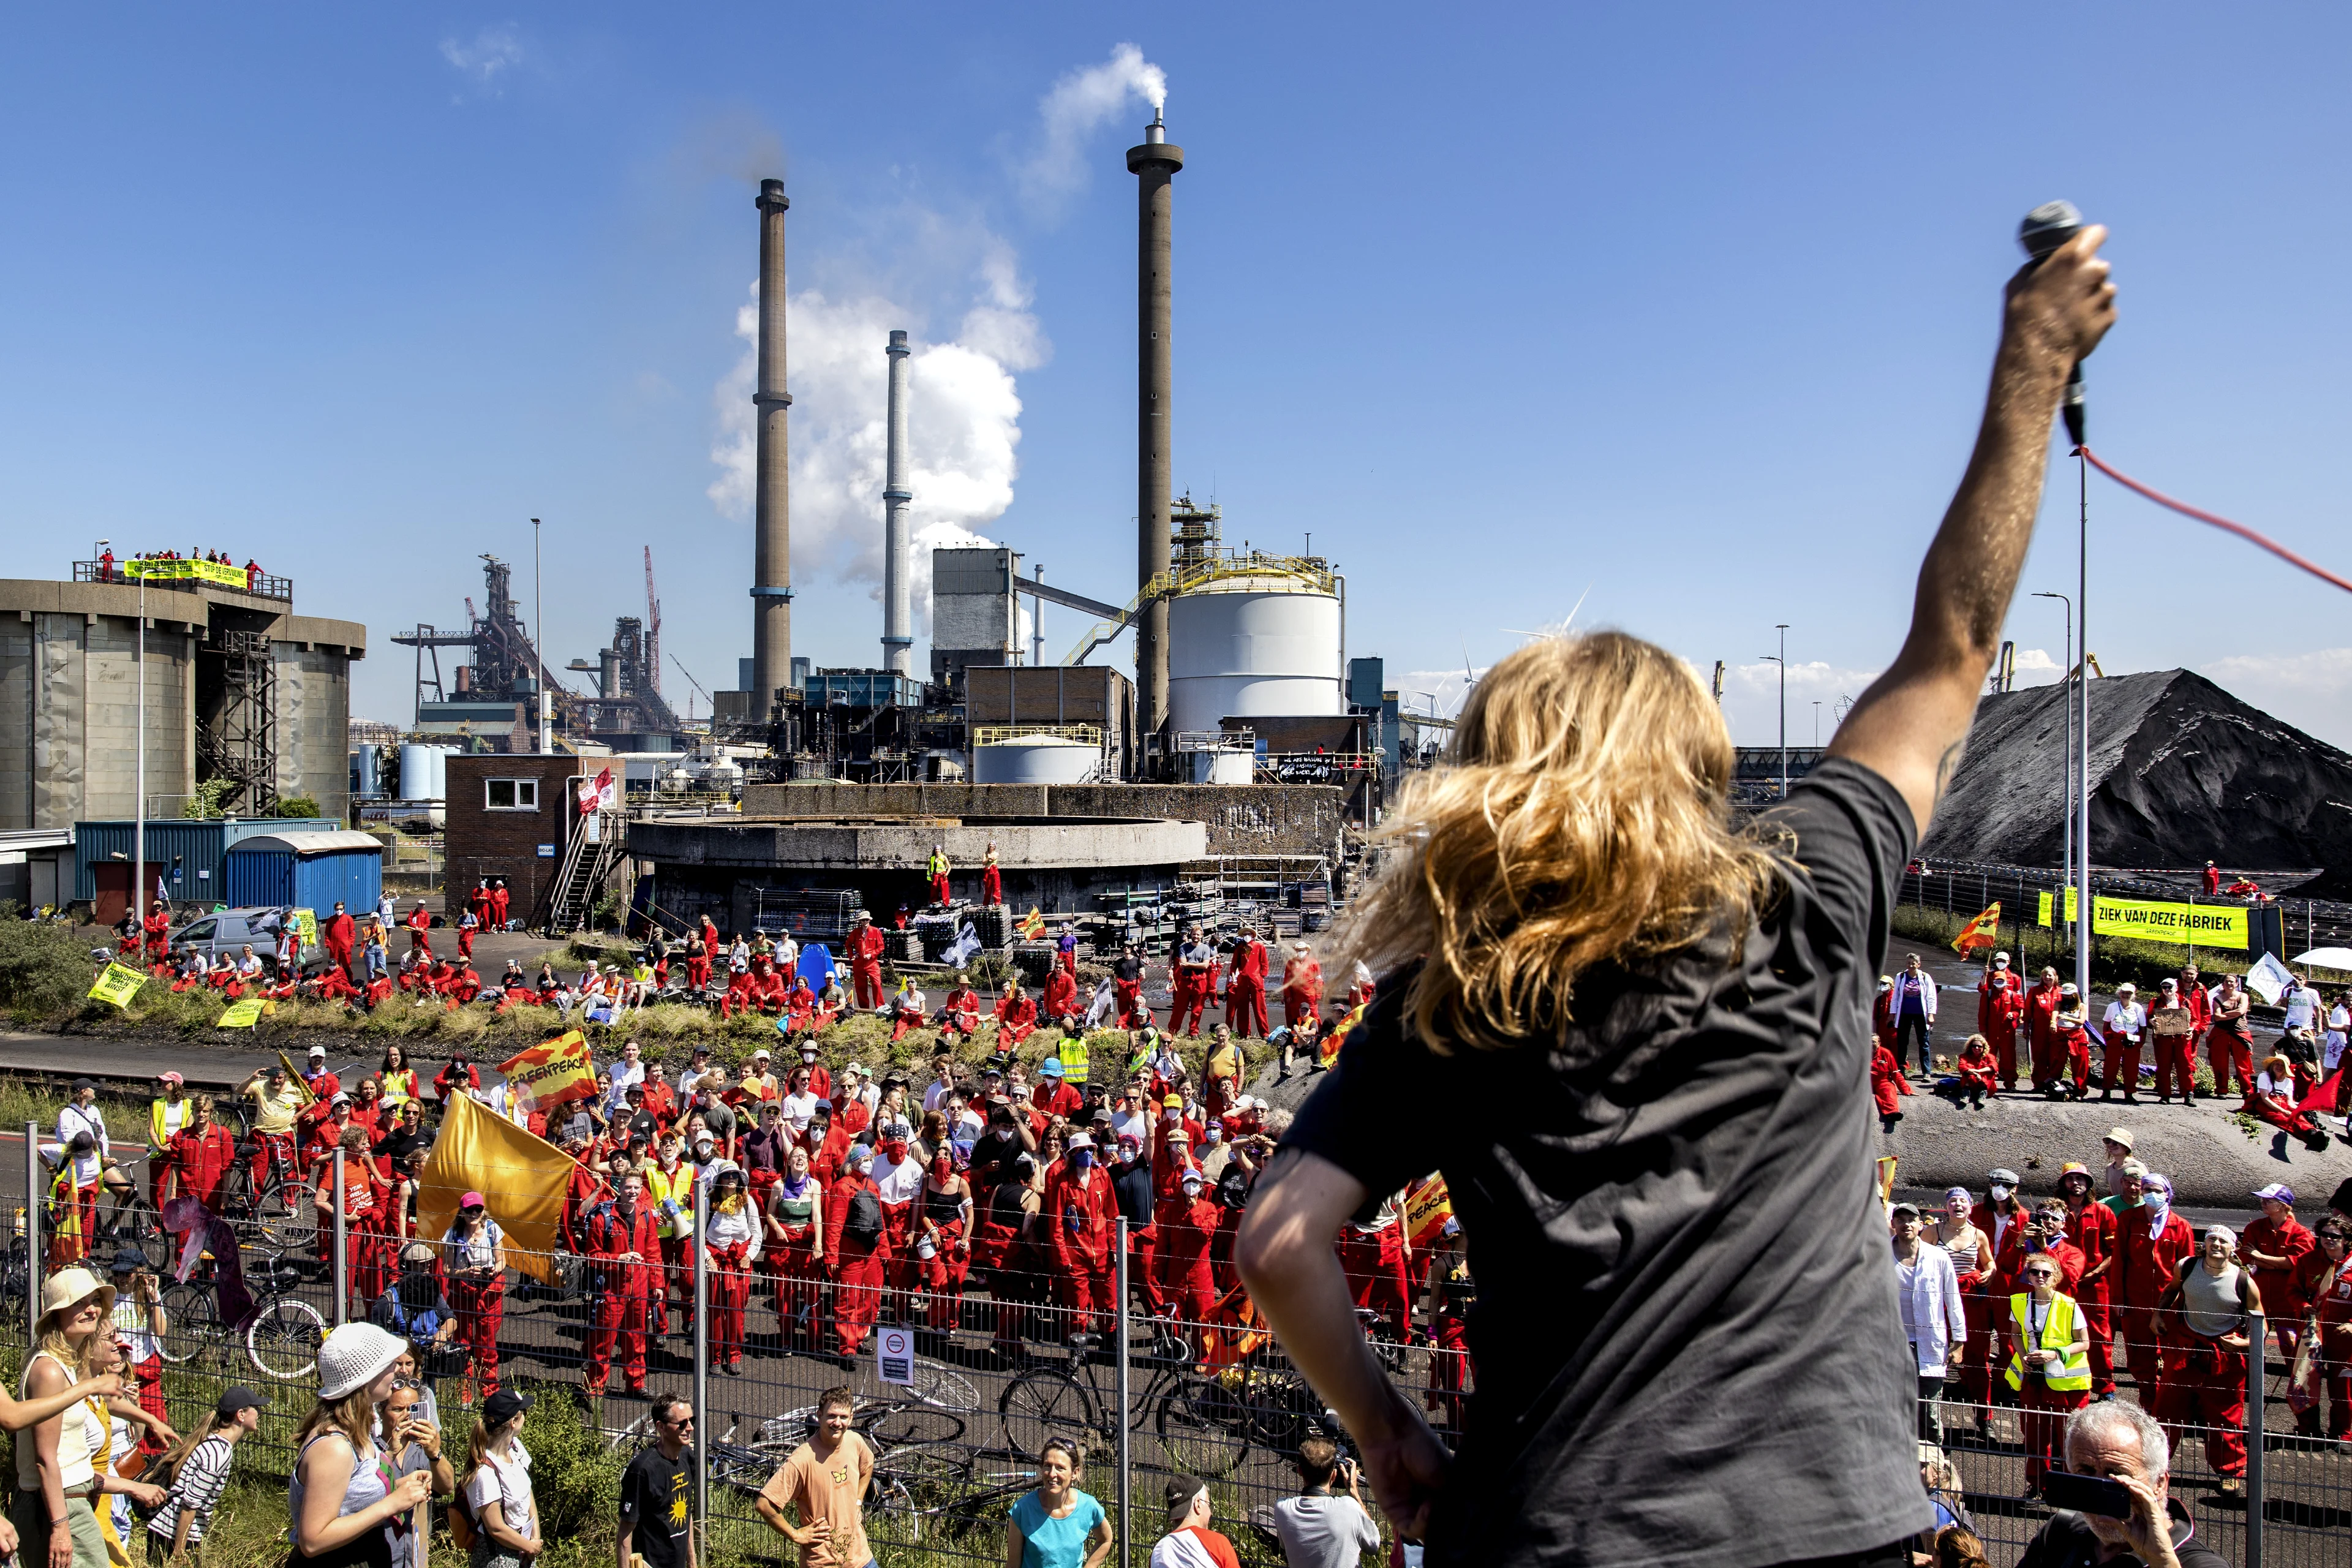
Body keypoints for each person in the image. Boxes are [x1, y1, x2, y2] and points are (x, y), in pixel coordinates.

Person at [1240, 220, 2119, 1562]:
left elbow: (1279, 1243)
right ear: (1695, 760)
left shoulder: (1454, 990)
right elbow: (1952, 652)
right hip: (1834, 1530)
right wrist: (2034, 361)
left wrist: (1386, 1430)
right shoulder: (1810, 892)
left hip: (1553, 1531)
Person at [14, 1268, 156, 1568]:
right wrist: (61, 1527)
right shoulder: (50, 1370)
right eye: (79, 1303)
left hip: (70, 1501)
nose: (91, 1309)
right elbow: (46, 1459)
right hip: (58, 1507)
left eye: (94, 1301)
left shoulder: (64, 1364)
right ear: (56, 1315)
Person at [288, 1322, 435, 1568]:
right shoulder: (334, 1446)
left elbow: (349, 1495)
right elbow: (313, 1541)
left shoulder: (358, 1428)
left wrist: (401, 1487)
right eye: (389, 1364)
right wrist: (392, 1504)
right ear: (368, 1375)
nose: (397, 1371)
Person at [2013, 1401, 2228, 1568]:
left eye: (2117, 1476)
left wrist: (2161, 1561)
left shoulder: (2200, 1563)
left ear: (2160, 1483)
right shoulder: (2063, 1530)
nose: (2098, 1491)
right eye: (2084, 1473)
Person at [2154, 1226, 2259, 1498]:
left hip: (2224, 1357)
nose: (2216, 1244)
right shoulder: (2186, 1266)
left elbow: (2261, 1322)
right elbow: (2171, 1290)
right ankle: (2154, 1467)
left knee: (2225, 1417)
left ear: (2232, 1248)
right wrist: (2158, 1315)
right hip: (2186, 1350)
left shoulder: (2244, 1281)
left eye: (2223, 1241)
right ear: (2205, 1242)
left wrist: (2245, 1344)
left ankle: (2231, 1472)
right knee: (2167, 1411)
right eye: (2212, 1238)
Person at [1998, 1250, 2091, 1497]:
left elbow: (2084, 1342)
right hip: (2034, 1378)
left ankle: (2069, 1489)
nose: (2040, 1276)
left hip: (2066, 1381)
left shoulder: (2069, 1305)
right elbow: (2016, 1333)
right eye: (2034, 1272)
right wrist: (2022, 1355)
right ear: (2028, 1275)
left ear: (2056, 1277)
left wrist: (2056, 1353)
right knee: (2035, 1434)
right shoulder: (2019, 1302)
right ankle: (2038, 1484)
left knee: (2067, 1437)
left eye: (2046, 1273)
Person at [754, 1385, 873, 1568]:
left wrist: (858, 1501)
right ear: (819, 1416)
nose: (837, 1422)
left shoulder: (854, 1441)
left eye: (843, 1417)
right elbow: (764, 1505)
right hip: (823, 1562)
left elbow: (868, 1465)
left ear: (851, 1418)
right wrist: (795, 1534)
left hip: (861, 1558)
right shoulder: (802, 1460)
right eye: (832, 1416)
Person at [146, 1387, 265, 1565]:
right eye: (257, 1409)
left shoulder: (213, 1442)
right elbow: (190, 1504)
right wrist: (179, 1555)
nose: (260, 1413)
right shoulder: (219, 1453)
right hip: (173, 1535)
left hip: (167, 1531)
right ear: (241, 1415)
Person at [1891, 1202, 1968, 1446]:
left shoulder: (1938, 1257)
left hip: (1930, 1345)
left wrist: (1959, 1341)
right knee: (1895, 1408)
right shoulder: (1878, 1255)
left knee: (1930, 1412)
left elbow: (1953, 1299)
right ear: (1893, 1224)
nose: (1906, 1224)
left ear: (1921, 1225)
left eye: (1912, 1220)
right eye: (1901, 1220)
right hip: (1891, 1344)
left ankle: (1936, 1466)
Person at [1270, 1437, 1383, 1568]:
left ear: (1300, 1471)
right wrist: (1354, 1492)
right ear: (1334, 1475)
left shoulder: (1282, 1508)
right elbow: (1373, 1544)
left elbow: (1284, 1545)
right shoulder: (1349, 1507)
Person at [459, 1389, 540, 1568]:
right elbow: (495, 1527)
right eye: (523, 1413)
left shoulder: (516, 1449)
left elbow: (528, 1491)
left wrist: (535, 1536)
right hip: (497, 1556)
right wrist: (529, 1546)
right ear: (513, 1422)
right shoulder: (485, 1472)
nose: (526, 1417)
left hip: (524, 1547)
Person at [1004, 1438, 1112, 1568]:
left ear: (1075, 1472)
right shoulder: (1022, 1510)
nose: (1052, 1474)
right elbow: (1013, 1564)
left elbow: (1105, 1539)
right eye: (1048, 1465)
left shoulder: (1088, 1506)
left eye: (1060, 1468)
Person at [380, 1379, 454, 1568]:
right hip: (382, 1555)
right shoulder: (371, 1451)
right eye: (397, 1409)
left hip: (416, 1556)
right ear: (381, 1412)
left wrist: (435, 1454)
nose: (406, 1415)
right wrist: (391, 1453)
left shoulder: (422, 1449)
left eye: (413, 1408)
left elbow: (447, 1487)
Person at [617, 1394, 696, 1568]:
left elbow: (686, 1513)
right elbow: (625, 1534)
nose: (690, 1427)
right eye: (682, 1423)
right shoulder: (642, 1471)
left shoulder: (687, 1456)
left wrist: (692, 1561)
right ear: (661, 1427)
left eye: (692, 1420)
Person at [440, 1194, 508, 1396]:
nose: (474, 1214)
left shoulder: (492, 1229)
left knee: (487, 1346)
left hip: (488, 1295)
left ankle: (489, 1393)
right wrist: (465, 1273)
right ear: (461, 1211)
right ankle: (464, 1395)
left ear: (483, 1210)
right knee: (462, 1345)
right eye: (470, 1210)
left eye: (478, 1209)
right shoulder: (452, 1234)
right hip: (462, 1294)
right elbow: (447, 1268)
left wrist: (493, 1271)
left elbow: (502, 1260)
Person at [1150, 1477, 1240, 1568]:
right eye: (1209, 1505)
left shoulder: (1158, 1552)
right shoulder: (1218, 1543)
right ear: (1198, 1505)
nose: (1210, 1512)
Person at [2099, 982, 2147, 1103]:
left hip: (2132, 1040)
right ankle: (2107, 1091)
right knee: (2111, 1066)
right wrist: (2108, 1039)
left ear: (2133, 995)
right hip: (2116, 1040)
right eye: (2123, 993)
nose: (2125, 995)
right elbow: (2106, 1024)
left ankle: (2129, 1093)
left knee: (2131, 1068)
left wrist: (2140, 1042)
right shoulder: (2112, 1006)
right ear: (2119, 993)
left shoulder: (2138, 1008)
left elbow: (2143, 1027)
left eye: (2129, 993)